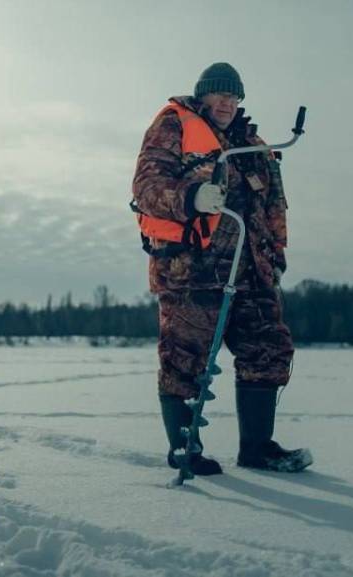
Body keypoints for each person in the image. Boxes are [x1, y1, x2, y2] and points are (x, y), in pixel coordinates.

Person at [131, 62, 310, 474]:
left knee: (268, 350)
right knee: (184, 359)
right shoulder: (174, 125)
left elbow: (274, 207)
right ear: (203, 95)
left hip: (251, 272)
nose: (228, 104)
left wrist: (275, 257)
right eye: (221, 95)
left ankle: (258, 449)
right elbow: (146, 188)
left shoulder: (255, 145)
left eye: (235, 97)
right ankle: (185, 450)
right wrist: (192, 197)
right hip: (191, 268)